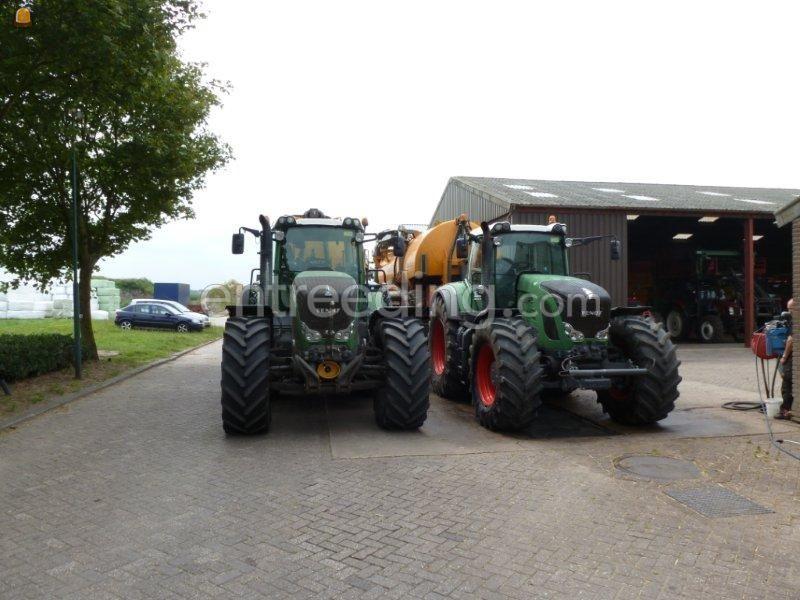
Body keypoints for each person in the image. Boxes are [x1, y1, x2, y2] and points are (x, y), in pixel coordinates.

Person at [780, 298, 794, 419]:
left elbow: (791, 340)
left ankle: (785, 410)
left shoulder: (796, 321)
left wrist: (784, 356)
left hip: (792, 357)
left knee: (787, 383)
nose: (789, 312)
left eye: (790, 309)